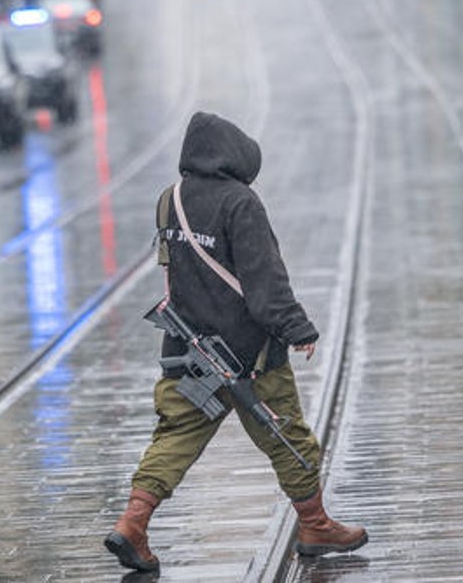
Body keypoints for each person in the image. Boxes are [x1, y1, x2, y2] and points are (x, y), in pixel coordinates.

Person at [105, 112, 366, 573]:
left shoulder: (170, 199)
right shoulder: (241, 203)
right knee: (287, 435)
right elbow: (264, 281)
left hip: (186, 351)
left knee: (174, 437)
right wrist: (297, 328)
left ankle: (133, 523)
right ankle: (315, 523)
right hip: (248, 354)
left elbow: (175, 271)